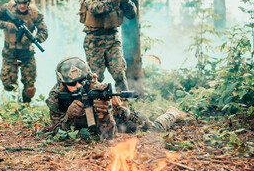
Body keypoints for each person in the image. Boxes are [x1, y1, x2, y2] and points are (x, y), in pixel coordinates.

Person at [46, 56, 189, 139]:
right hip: (80, 127)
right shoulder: (56, 97)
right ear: (62, 82)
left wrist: (105, 115)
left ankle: (172, 113)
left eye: (82, 80)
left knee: (154, 129)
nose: (78, 86)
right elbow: (58, 134)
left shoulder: (96, 89)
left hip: (119, 116)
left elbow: (109, 136)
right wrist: (69, 116)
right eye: (71, 83)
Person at [0, 0, 48, 103]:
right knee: (9, 85)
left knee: (30, 88)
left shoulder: (34, 13)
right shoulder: (7, 8)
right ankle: (11, 105)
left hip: (27, 54)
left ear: (28, 2)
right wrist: (6, 25)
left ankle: (25, 106)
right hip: (10, 52)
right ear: (15, 2)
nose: (22, 6)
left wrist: (34, 39)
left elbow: (44, 32)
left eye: (25, 3)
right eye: (19, 3)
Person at [80, 0, 137, 93]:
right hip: (94, 39)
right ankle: (97, 108)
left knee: (119, 73)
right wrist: (115, 0)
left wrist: (126, 2)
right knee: (97, 77)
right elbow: (94, 8)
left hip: (112, 37)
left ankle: (125, 107)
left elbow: (131, 15)